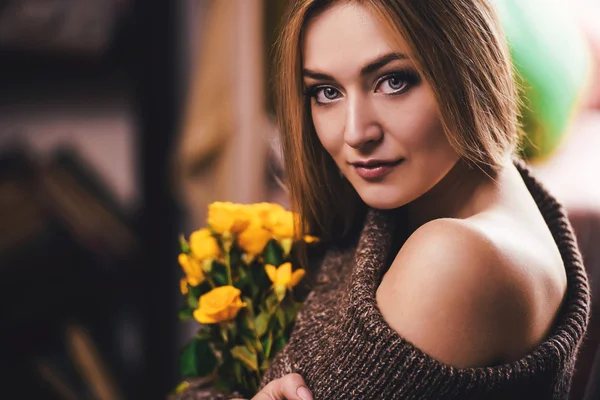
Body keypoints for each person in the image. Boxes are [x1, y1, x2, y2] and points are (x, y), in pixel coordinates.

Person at [227, 0, 590, 399]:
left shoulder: (453, 258)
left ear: (469, 64)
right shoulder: (468, 189)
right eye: (326, 92)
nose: (354, 133)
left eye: (393, 81)